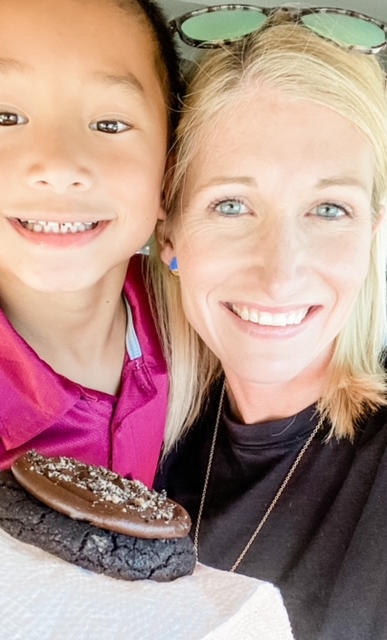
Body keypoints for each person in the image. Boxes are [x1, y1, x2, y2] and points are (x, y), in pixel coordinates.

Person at [153, 7, 387, 639]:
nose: (280, 274)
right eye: (232, 204)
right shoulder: (128, 428)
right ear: (169, 229)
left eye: (329, 208)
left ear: (373, 234)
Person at [0, 0, 181, 487]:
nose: (60, 166)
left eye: (109, 125)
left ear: (167, 179)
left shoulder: (195, 324)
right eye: (4, 117)